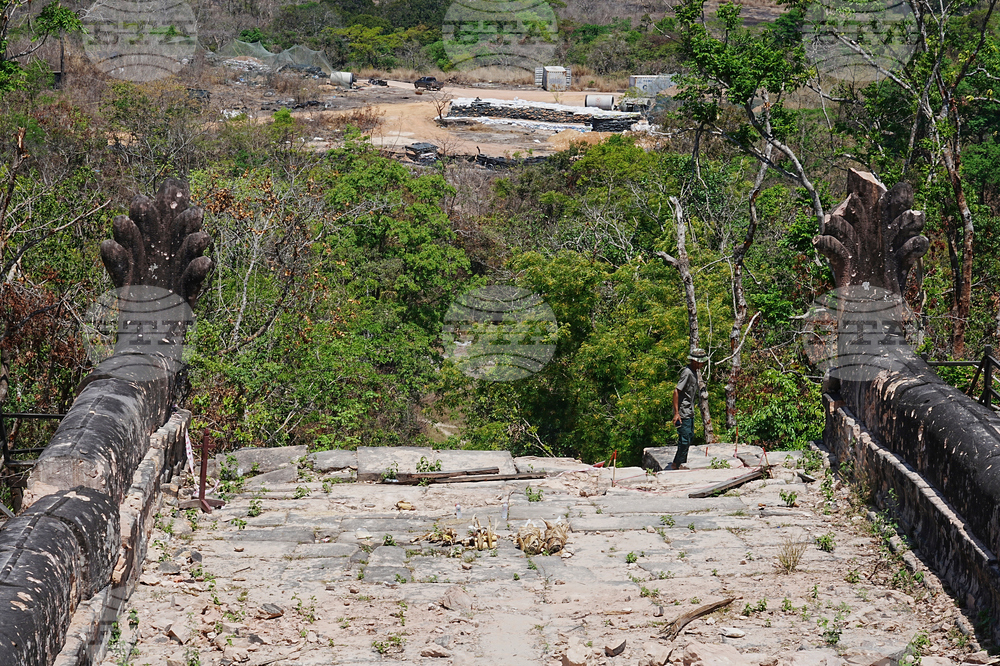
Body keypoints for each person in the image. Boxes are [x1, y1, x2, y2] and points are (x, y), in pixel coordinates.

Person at [670, 348, 708, 470]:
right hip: (682, 412)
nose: (702, 364)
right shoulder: (687, 373)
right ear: (694, 361)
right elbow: (676, 391)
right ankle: (678, 465)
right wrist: (676, 413)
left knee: (689, 437)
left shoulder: (694, 372)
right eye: (700, 362)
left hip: (689, 410)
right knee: (685, 439)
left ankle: (679, 463)